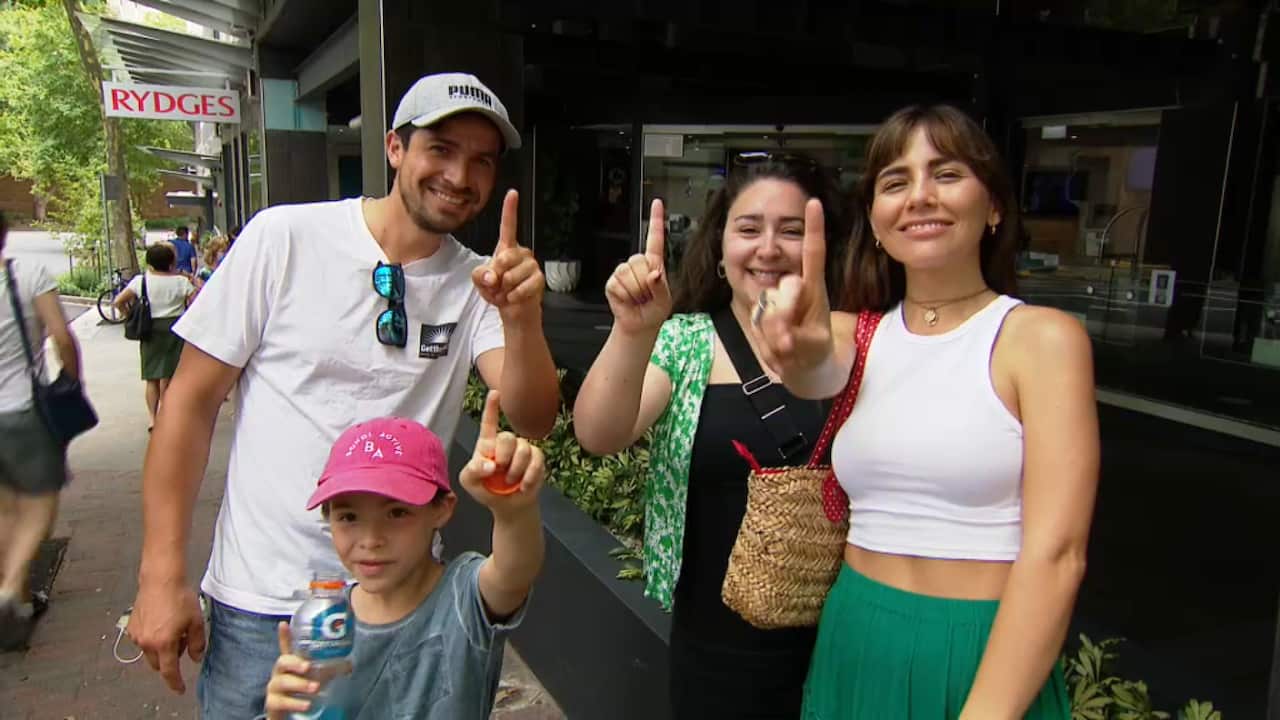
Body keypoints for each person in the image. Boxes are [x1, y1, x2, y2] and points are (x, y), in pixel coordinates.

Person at [126, 71, 560, 719]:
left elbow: (532, 415)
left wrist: (522, 318)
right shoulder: (284, 239)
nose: (460, 176)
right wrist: (160, 572)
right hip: (264, 600)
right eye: (440, 149)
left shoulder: (479, 282)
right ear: (394, 148)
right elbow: (188, 405)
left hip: (403, 605)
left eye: (481, 162)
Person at [753, 105, 1099, 719]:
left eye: (946, 173)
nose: (919, 196)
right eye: (895, 182)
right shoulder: (851, 335)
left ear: (993, 206)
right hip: (853, 637)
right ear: (877, 223)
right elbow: (810, 365)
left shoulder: (1041, 339)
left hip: (980, 651)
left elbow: (1058, 553)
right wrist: (785, 333)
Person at [573, 157, 850, 718]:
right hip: (716, 645)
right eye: (748, 229)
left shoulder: (855, 342)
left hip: (844, 638)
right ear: (721, 250)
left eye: (791, 230)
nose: (768, 247)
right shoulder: (686, 342)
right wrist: (634, 331)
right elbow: (600, 434)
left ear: (820, 245)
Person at [265, 391, 543, 719]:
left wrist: (512, 511)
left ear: (442, 509)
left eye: (396, 513)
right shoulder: (325, 623)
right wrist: (279, 711)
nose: (371, 540)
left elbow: (514, 572)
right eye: (348, 517)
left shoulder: (463, 596)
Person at [0, 210, 83, 650]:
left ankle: (24, 595)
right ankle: (11, 590)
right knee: (39, 508)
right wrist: (71, 380)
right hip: (22, 411)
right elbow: (61, 337)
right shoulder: (28, 274)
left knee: (5, 510)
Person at [113, 243, 196, 430]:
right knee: (170, 374)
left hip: (150, 329)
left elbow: (118, 301)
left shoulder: (140, 281)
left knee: (152, 376)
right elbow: (195, 304)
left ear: (149, 262)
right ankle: (168, 413)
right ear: (172, 261)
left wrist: (129, 316)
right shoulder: (181, 282)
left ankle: (152, 418)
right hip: (176, 329)